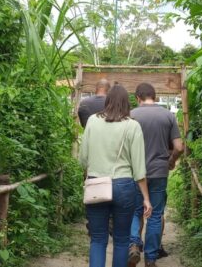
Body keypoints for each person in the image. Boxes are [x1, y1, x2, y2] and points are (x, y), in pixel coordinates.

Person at [80, 85, 153, 267]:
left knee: (97, 239)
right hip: (124, 187)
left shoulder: (92, 121)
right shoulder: (132, 125)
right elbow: (139, 168)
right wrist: (146, 198)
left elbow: (83, 159)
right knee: (121, 240)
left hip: (97, 185)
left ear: (107, 101)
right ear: (127, 103)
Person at [128, 83, 184, 267]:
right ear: (156, 96)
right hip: (160, 171)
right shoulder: (168, 116)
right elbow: (179, 147)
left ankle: (134, 244)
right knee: (155, 214)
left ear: (138, 97)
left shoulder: (131, 116)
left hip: (136, 172)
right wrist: (172, 160)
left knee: (135, 211)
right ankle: (151, 259)